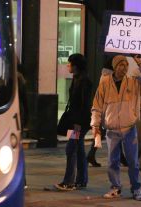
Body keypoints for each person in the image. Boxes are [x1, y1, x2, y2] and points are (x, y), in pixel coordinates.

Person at [91, 54, 141, 201]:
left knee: (133, 161)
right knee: (112, 162)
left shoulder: (134, 83)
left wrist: (138, 60)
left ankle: (136, 189)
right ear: (114, 67)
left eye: (126, 65)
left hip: (129, 129)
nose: (125, 67)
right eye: (121, 65)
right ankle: (115, 187)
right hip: (112, 130)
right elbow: (96, 106)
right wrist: (95, 126)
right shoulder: (105, 83)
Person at [54, 54, 92, 191]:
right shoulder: (76, 79)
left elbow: (84, 106)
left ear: (75, 66)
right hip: (74, 122)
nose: (67, 66)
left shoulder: (84, 81)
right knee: (79, 149)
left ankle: (68, 181)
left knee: (71, 149)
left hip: (79, 124)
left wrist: (78, 124)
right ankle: (81, 180)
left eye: (69, 64)